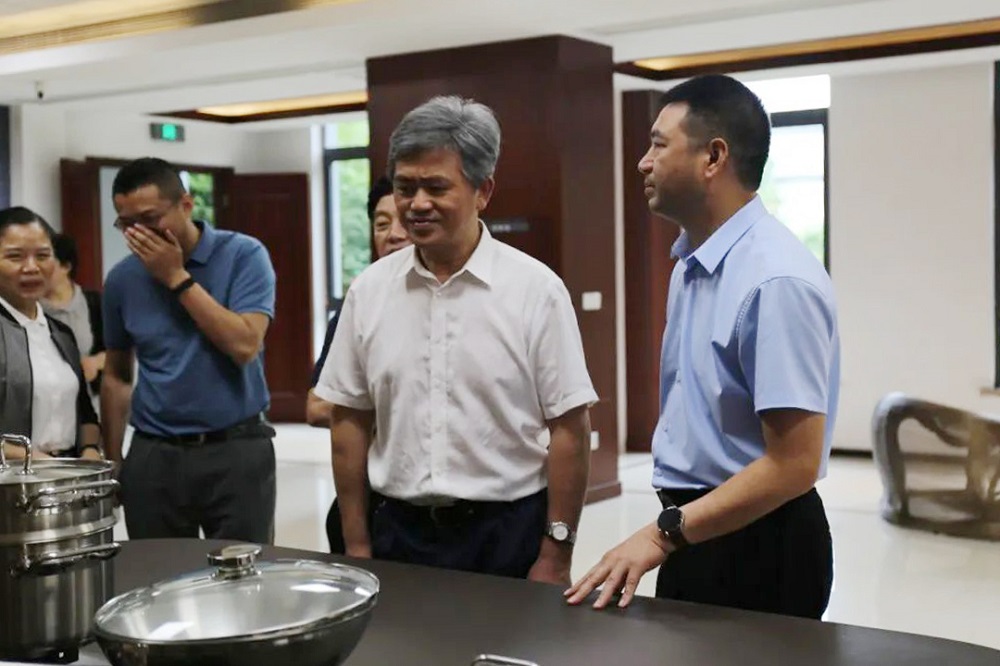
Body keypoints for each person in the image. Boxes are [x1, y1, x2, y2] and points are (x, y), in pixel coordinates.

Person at [566, 74, 840, 619]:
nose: (643, 162)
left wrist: (662, 534)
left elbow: (794, 464)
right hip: (697, 529)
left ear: (713, 157)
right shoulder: (692, 262)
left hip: (760, 545)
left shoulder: (775, 280)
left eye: (658, 145)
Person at [316, 95, 597, 583]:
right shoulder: (368, 292)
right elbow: (349, 421)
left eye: (436, 187)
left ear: (483, 191)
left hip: (505, 531)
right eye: (405, 187)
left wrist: (557, 552)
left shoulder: (536, 290)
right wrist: (356, 542)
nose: (417, 204)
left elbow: (570, 428)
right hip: (397, 531)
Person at [101, 157, 277, 543]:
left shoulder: (244, 255)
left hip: (235, 447)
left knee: (241, 570)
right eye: (126, 224)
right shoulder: (121, 280)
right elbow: (116, 375)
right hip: (154, 452)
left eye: (150, 219)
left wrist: (176, 277)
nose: (138, 234)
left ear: (185, 205)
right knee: (159, 571)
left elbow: (245, 345)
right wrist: (112, 460)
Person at [306, 175, 411, 552]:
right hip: (372, 498)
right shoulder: (360, 305)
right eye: (381, 224)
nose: (393, 235)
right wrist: (397, 409)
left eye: (404, 221)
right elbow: (317, 407)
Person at [0, 207, 102, 460]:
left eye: (43, 256)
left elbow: (85, 411)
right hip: (13, 477)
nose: (31, 267)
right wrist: (33, 460)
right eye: (15, 257)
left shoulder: (61, 333)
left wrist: (90, 449)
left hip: (65, 473)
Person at [43, 233, 105, 411]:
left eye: (46, 260)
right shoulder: (29, 306)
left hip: (88, 406)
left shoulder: (93, 303)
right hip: (46, 406)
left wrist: (94, 362)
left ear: (66, 267)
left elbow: (117, 353)